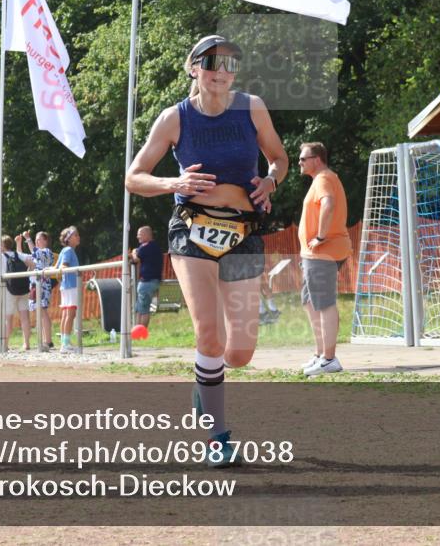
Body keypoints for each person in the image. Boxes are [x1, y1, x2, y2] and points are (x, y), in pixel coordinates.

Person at [125, 34, 288, 466]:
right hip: (192, 229)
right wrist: (172, 184)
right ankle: (217, 436)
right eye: (212, 62)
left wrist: (271, 181)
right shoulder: (174, 119)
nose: (222, 70)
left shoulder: (251, 107)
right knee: (208, 334)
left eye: (231, 63)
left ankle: (205, 382)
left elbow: (279, 159)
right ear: (193, 68)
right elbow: (134, 176)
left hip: (242, 231)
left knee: (240, 352)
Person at [297, 142, 352, 377]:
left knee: (324, 303)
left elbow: (328, 204)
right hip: (316, 254)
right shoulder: (322, 179)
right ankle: (321, 355)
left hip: (323, 252)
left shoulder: (323, 178)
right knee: (309, 301)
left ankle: (330, 359)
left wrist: (320, 237)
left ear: (316, 159)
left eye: (302, 159)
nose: (299, 162)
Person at [0, 235, 37, 351]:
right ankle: (26, 343)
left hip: (8, 290)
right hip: (23, 288)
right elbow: (33, 263)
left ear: (2, 246)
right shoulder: (18, 255)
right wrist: (28, 274)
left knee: (7, 319)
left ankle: (4, 344)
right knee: (25, 317)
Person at [23, 230, 55, 351]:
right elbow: (23, 256)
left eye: (39, 239)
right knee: (39, 312)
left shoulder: (47, 252)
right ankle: (44, 340)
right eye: (35, 239)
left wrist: (28, 238)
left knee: (42, 311)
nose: (36, 241)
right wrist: (19, 242)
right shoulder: (36, 254)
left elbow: (35, 252)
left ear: (46, 241)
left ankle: (48, 341)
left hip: (42, 285)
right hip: (34, 285)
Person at [130, 225, 163, 332]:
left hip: (146, 282)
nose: (137, 236)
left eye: (139, 234)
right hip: (155, 281)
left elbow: (135, 259)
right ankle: (137, 331)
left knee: (143, 310)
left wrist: (134, 252)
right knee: (140, 308)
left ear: (147, 235)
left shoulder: (145, 247)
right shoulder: (156, 247)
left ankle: (141, 333)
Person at [56, 226, 81, 352]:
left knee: (67, 314)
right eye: (75, 235)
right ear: (68, 238)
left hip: (66, 286)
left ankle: (64, 342)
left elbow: (56, 268)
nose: (78, 237)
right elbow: (62, 266)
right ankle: (65, 344)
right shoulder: (68, 250)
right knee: (70, 314)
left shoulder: (65, 250)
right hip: (70, 286)